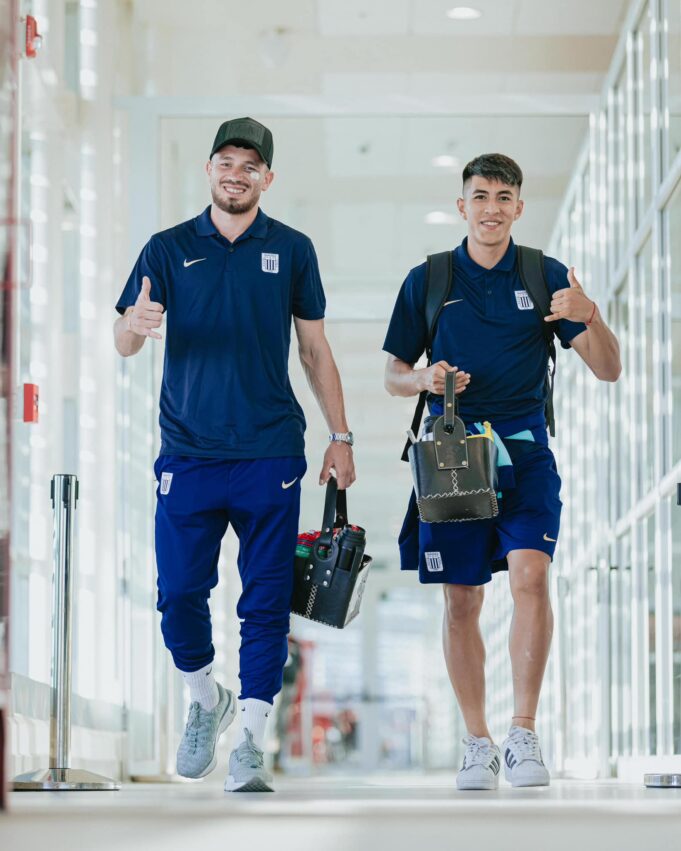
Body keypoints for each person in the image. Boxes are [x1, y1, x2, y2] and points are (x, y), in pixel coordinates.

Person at [113, 117, 355, 793]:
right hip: (186, 451)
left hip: (269, 449)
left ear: (266, 179)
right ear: (208, 169)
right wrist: (131, 326)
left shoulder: (292, 249)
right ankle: (203, 697)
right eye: (226, 161)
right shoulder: (165, 248)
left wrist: (341, 436)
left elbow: (313, 348)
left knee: (267, 598)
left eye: (250, 165)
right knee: (179, 592)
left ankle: (250, 737)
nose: (236, 173)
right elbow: (124, 338)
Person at [383, 153, 620, 790]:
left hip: (526, 453)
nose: (492, 207)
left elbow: (608, 368)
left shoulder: (545, 276)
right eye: (480, 196)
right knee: (463, 600)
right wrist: (424, 379)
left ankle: (522, 732)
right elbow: (392, 375)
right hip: (453, 458)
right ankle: (477, 741)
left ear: (519, 207)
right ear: (462, 207)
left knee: (531, 577)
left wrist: (590, 314)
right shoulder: (429, 279)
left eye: (504, 196)